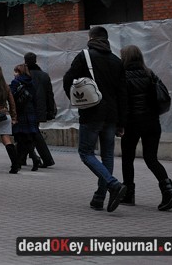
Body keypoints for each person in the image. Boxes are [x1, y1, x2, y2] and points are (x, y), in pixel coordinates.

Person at [63, 26, 129, 212]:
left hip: (91, 113)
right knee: (107, 155)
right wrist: (121, 122)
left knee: (86, 153)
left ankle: (113, 184)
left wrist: (77, 100)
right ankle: (99, 197)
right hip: (112, 115)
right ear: (106, 39)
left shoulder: (84, 56)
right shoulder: (117, 61)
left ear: (91, 38)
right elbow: (123, 93)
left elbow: (68, 80)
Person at [119, 45, 172, 211]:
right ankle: (169, 190)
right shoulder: (150, 74)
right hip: (152, 123)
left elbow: (123, 103)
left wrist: (120, 124)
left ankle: (129, 194)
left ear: (125, 58)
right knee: (151, 159)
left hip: (132, 123)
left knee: (127, 159)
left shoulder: (123, 76)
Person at [24, 52, 56, 168]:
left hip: (27, 109)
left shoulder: (24, 75)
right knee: (29, 132)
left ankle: (46, 159)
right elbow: (49, 95)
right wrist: (50, 110)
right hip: (40, 109)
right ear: (35, 60)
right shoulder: (44, 75)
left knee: (31, 133)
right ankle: (21, 158)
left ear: (25, 61)